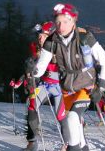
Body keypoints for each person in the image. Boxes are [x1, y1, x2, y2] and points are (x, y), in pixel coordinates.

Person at [33, 3, 105, 151]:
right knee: (74, 126)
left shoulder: (84, 37)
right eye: (58, 21)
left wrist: (100, 88)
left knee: (72, 118)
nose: (61, 25)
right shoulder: (51, 42)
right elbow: (40, 68)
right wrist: (32, 70)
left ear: (74, 21)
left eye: (66, 21)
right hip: (66, 89)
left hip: (85, 87)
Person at [11, 21, 69, 151]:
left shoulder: (59, 49)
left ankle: (67, 145)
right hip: (45, 85)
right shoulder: (38, 50)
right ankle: (32, 143)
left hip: (58, 88)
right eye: (39, 35)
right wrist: (19, 82)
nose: (40, 38)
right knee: (32, 105)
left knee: (60, 116)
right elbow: (31, 70)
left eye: (43, 35)